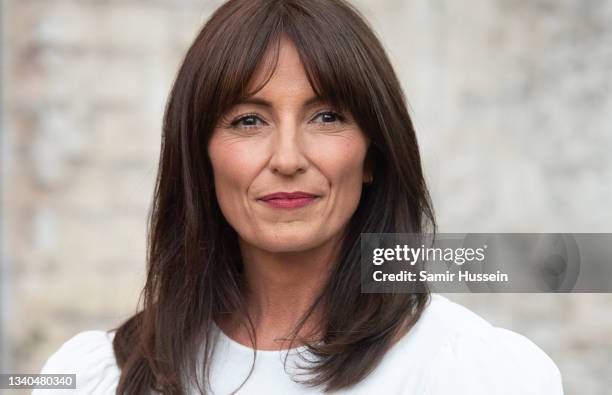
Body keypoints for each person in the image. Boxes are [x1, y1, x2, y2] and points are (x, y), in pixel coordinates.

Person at [34, 0, 563, 394]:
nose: (287, 158)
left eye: (326, 117)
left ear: (374, 152)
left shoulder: (478, 375)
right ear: (202, 157)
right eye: (249, 120)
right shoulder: (95, 377)